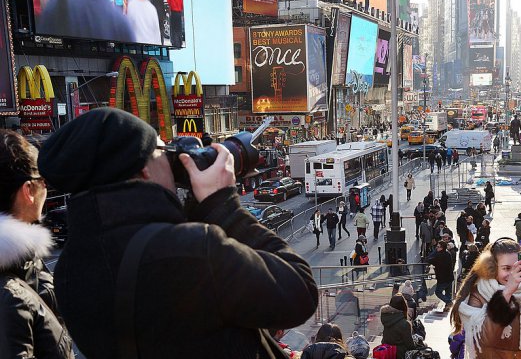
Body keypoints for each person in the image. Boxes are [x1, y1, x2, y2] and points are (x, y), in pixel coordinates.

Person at [37, 108, 318, 358]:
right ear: (144, 170)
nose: (174, 160)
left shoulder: (68, 271)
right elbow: (300, 293)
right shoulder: (191, 250)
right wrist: (224, 207)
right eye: (163, 150)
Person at [0, 130, 75, 358]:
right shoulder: (10, 299)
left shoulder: (24, 264)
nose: (47, 189)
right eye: (43, 181)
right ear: (28, 191)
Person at [450, 238, 521, 359]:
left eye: (516, 267)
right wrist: (507, 293)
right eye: (506, 268)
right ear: (492, 268)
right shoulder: (479, 293)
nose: (512, 274)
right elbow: (484, 337)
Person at [381, 294, 416, 359]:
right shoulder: (405, 324)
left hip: (385, 350)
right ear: (403, 306)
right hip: (399, 354)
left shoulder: (385, 317)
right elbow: (409, 345)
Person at [428, 240, 455, 312]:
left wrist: (435, 251)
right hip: (449, 277)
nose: (436, 248)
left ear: (442, 248)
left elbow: (429, 259)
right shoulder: (448, 254)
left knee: (438, 292)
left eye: (438, 247)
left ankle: (449, 302)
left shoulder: (438, 255)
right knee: (448, 292)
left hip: (442, 278)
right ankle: (447, 307)